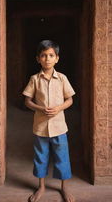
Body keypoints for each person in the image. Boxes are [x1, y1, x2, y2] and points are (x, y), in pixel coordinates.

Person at [22, 40, 75, 202]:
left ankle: (64, 187)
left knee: (62, 157)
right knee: (41, 157)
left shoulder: (62, 78)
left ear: (57, 58)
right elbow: (27, 101)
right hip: (41, 127)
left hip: (59, 127)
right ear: (38, 58)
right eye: (44, 56)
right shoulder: (34, 79)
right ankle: (41, 187)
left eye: (51, 55)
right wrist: (39, 108)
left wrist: (59, 108)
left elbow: (70, 100)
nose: (47, 59)